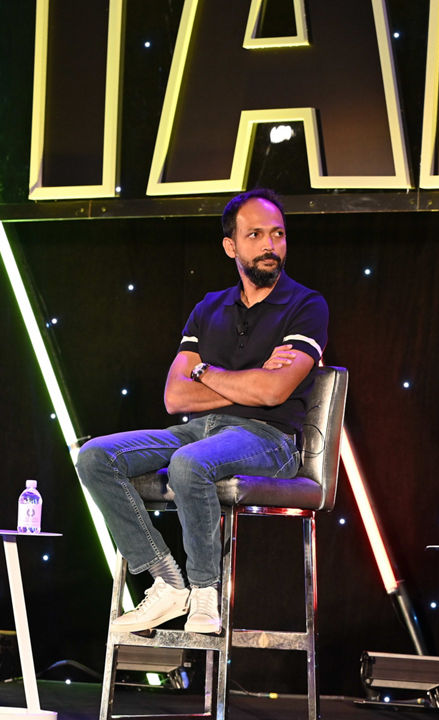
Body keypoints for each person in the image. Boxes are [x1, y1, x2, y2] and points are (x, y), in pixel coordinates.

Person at [76, 188, 329, 634]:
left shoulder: (306, 305)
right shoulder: (207, 308)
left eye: (278, 235)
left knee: (188, 464)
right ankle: (169, 584)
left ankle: (205, 592)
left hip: (268, 440)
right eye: (256, 235)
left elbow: (273, 394)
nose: (270, 245)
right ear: (232, 246)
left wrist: (206, 374)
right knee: (95, 456)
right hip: (198, 430)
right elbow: (175, 398)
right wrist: (246, 378)